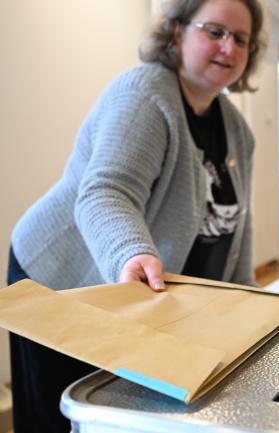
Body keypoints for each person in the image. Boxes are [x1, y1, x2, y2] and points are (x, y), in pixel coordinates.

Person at [6, 0, 264, 431]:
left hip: (136, 288)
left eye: (241, 39)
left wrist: (252, 302)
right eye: (214, 31)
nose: (229, 48)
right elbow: (105, 192)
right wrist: (130, 250)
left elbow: (239, 223)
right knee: (65, 412)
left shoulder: (239, 130)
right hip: (62, 277)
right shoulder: (146, 95)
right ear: (178, 32)